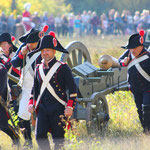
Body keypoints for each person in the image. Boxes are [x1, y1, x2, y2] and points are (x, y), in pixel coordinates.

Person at [28, 32, 77, 150]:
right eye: (43, 50)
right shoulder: (38, 67)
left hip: (58, 107)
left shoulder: (63, 67)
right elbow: (35, 88)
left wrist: (70, 106)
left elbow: (73, 88)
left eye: (48, 50)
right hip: (43, 108)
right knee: (39, 136)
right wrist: (31, 103)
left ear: (54, 51)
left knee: (58, 140)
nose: (45, 53)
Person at [11, 30, 42, 149]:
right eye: (28, 43)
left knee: (44, 115)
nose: (29, 45)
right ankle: (28, 142)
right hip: (27, 87)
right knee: (22, 115)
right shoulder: (24, 48)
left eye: (32, 43)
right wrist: (21, 55)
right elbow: (14, 63)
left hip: (42, 87)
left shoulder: (43, 49)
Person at [118, 29, 150, 133]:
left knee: (146, 108)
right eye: (130, 48)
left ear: (141, 46)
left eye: (134, 48)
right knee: (140, 110)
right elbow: (119, 61)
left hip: (147, 88)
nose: (132, 50)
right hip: (135, 88)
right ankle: (145, 130)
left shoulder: (148, 56)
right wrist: (124, 62)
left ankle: (147, 131)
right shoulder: (128, 54)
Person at [0, 63, 20, 147]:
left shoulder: (1, 69)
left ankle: (15, 138)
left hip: (1, 100)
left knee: (3, 125)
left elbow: (1, 88)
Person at [0, 33, 20, 114]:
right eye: (1, 44)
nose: (3, 46)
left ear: (10, 45)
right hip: (4, 89)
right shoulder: (1, 58)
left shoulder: (17, 57)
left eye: (5, 44)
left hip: (17, 87)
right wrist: (9, 62)